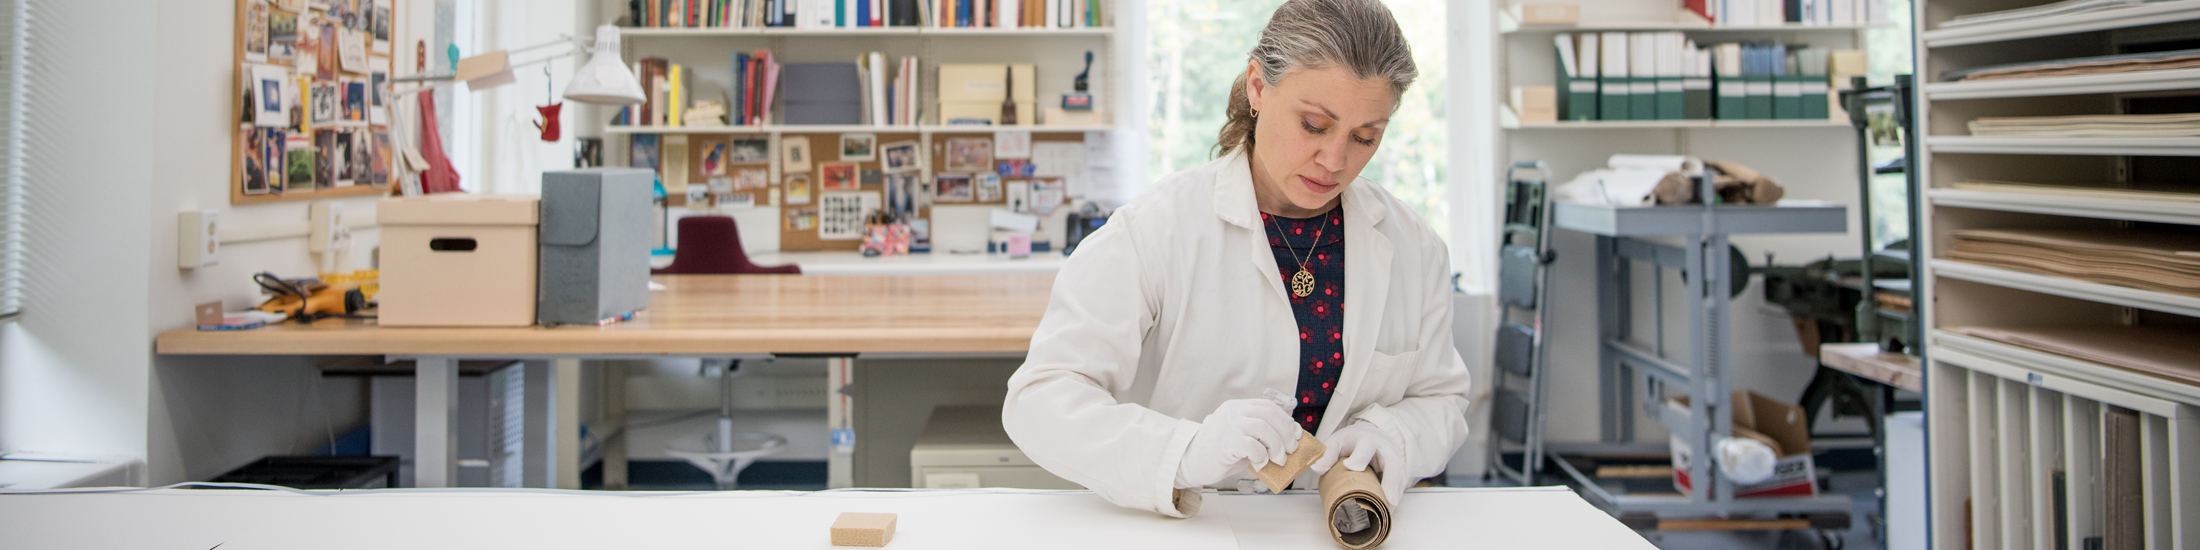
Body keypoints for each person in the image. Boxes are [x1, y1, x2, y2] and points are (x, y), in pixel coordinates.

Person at [1002, 0, 1471, 519]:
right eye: (1314, 125)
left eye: (1366, 137)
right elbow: (1040, 401)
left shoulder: (1413, 246)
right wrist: (1183, 452)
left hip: (1337, 527)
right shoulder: (1156, 230)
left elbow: (1441, 401)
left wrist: (1391, 438)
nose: (1335, 160)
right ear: (1257, 87)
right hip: (1191, 524)